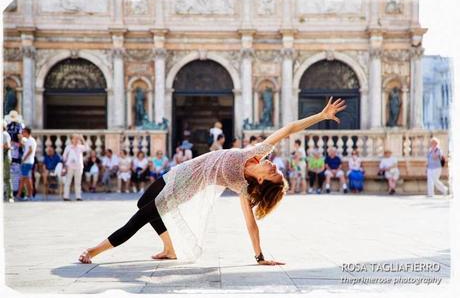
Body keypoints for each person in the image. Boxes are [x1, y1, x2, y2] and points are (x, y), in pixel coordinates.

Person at [77, 97, 346, 265]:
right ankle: (170, 249)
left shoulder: (241, 185)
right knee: (142, 202)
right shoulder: (258, 152)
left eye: (275, 172)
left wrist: (260, 257)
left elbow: (250, 225)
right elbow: (288, 129)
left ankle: (94, 251)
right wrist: (320, 116)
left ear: (263, 183)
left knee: (140, 217)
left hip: (182, 188)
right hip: (177, 171)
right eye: (276, 167)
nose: (275, 164)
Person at [63, 134, 89, 201]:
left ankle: (78, 197)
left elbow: (87, 148)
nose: (76, 140)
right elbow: (64, 157)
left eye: (77, 139)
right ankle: (66, 196)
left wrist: (82, 138)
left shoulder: (80, 147)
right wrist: (66, 165)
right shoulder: (68, 147)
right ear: (72, 139)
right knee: (68, 182)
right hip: (70, 167)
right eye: (75, 138)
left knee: (78, 182)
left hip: (79, 167)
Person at [6, 110, 24, 198]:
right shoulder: (19, 126)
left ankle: (8, 191)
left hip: (8, 151)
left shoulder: (7, 126)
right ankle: (15, 191)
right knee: (17, 172)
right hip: (16, 151)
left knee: (9, 172)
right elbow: (20, 139)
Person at [15, 127, 36, 200]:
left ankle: (26, 195)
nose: (22, 133)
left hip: (27, 162)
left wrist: (24, 158)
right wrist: (20, 139)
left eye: (23, 132)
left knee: (25, 179)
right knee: (25, 179)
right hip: (27, 162)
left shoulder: (30, 140)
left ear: (27, 132)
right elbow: (24, 147)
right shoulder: (29, 140)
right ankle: (23, 195)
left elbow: (30, 150)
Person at [3, 123, 13, 202]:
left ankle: (10, 196)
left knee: (7, 177)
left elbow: (8, 146)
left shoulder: (5, 134)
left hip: (5, 157)